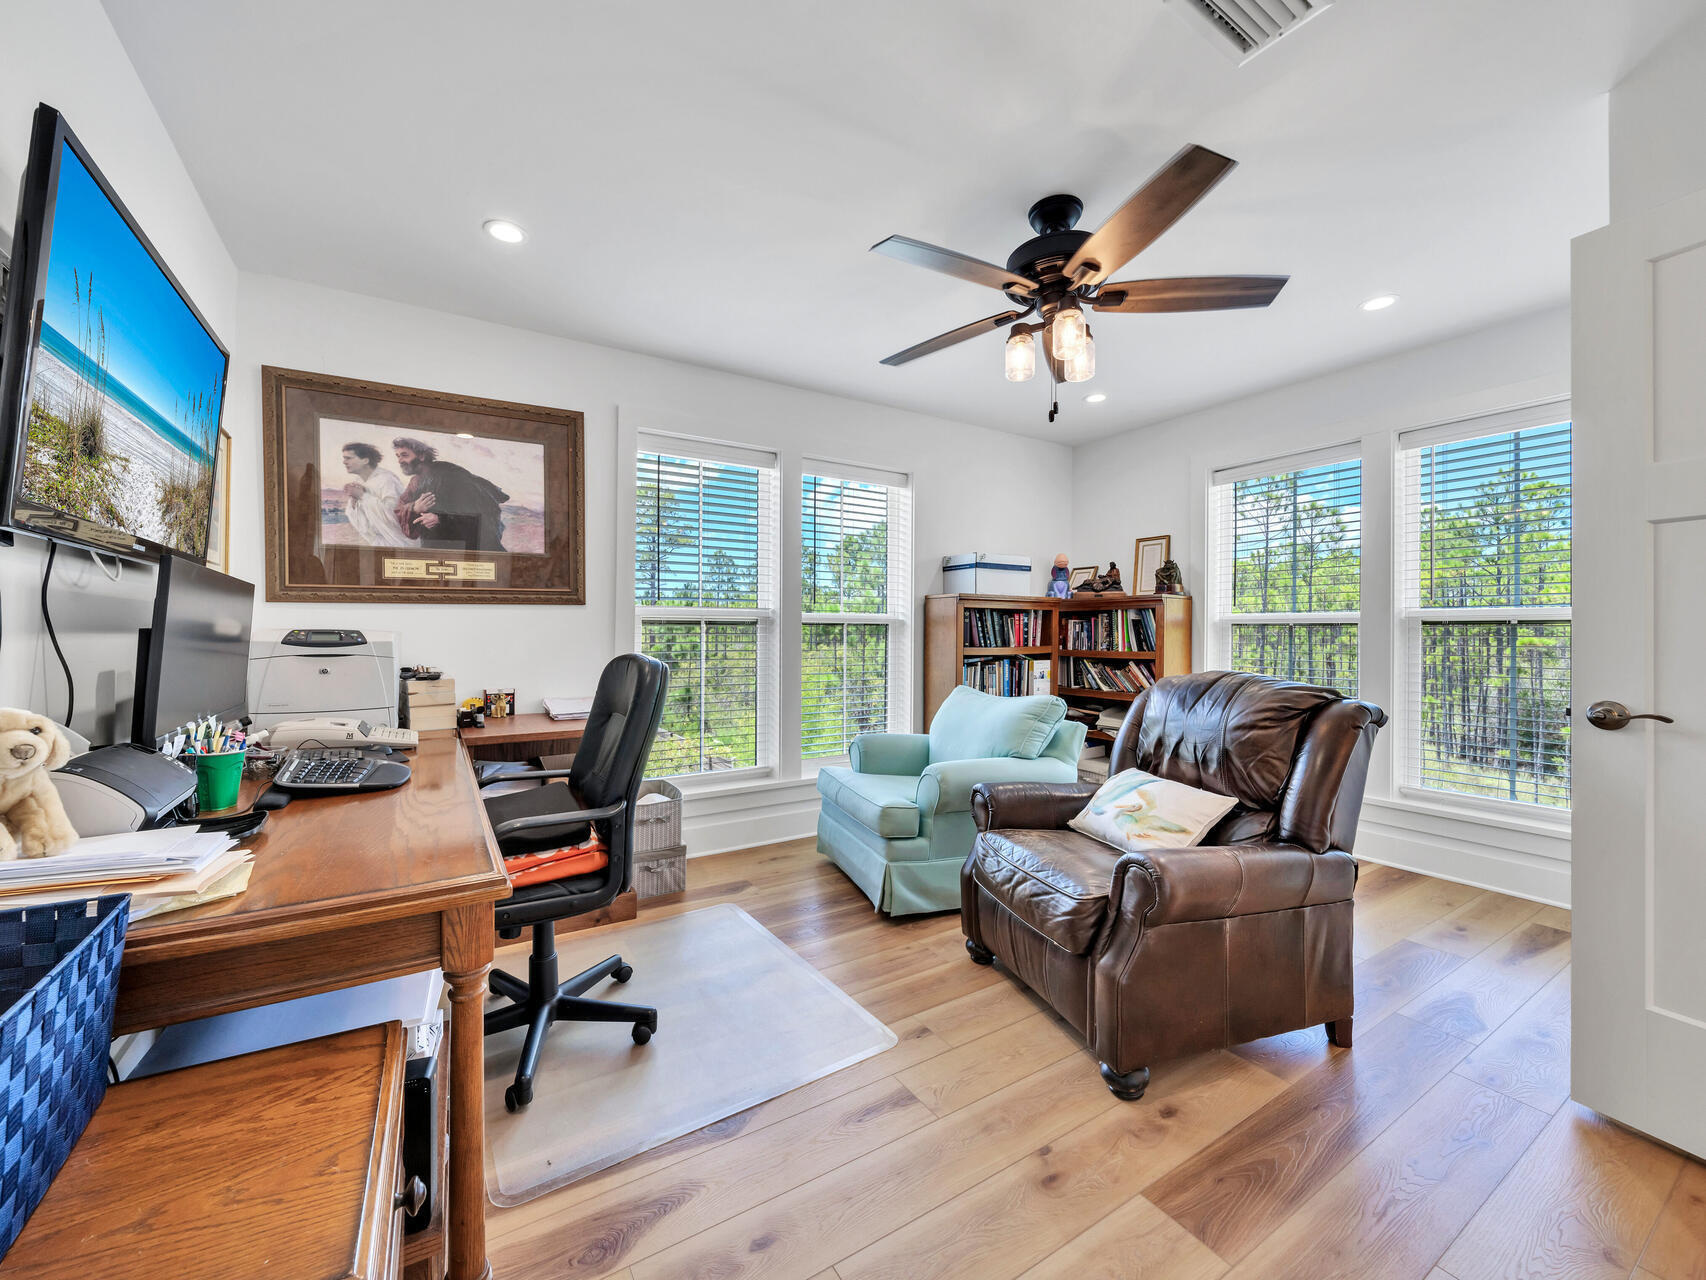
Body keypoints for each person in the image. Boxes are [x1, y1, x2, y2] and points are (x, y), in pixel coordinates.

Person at [392, 436, 509, 551]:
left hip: (461, 549)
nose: (399, 461)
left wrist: (440, 519)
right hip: (433, 547)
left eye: (405, 455)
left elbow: (480, 515)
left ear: (421, 456)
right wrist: (414, 508)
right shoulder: (415, 482)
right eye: (398, 456)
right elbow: (400, 509)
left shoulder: (451, 474)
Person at [338, 442, 413, 547]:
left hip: (399, 543)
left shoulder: (387, 479)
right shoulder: (358, 481)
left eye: (348, 458)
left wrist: (362, 496)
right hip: (378, 543)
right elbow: (359, 522)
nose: (344, 462)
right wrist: (354, 502)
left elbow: (395, 516)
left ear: (365, 460)